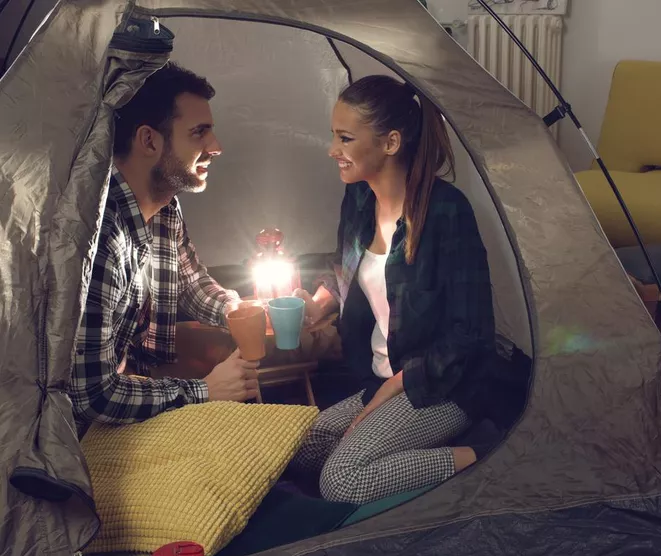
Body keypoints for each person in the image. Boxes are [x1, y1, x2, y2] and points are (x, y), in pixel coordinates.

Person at [291, 75, 496, 505]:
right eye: (334, 136)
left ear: (391, 143)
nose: (333, 151)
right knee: (297, 450)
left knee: (342, 481)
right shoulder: (359, 201)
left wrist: (382, 399)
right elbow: (350, 270)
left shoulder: (447, 212)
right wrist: (317, 303)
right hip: (379, 378)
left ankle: (480, 455)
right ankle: (399, 448)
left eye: (345, 139)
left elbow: (470, 334)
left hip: (438, 387)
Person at [69, 62, 260, 434]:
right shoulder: (101, 236)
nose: (216, 147)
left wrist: (234, 310)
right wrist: (204, 391)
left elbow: (189, 281)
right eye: (199, 133)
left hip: (127, 386)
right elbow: (90, 395)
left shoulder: (163, 205)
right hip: (74, 432)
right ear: (149, 140)